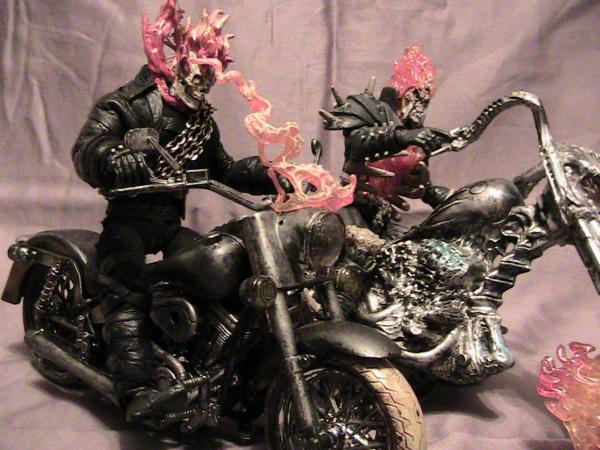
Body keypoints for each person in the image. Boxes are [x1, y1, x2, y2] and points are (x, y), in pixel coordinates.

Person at [72, 3, 279, 418]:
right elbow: (86, 147)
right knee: (127, 288)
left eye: (210, 78)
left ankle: (204, 363)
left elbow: (224, 169)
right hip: (128, 221)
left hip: (169, 224)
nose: (203, 85)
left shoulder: (201, 122)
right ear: (180, 62)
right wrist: (112, 155)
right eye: (198, 74)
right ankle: (136, 388)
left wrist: (272, 174)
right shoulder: (128, 104)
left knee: (217, 272)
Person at [320, 46, 451, 237]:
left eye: (426, 97)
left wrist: (429, 190)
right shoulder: (371, 111)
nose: (421, 105)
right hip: (349, 208)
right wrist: (399, 136)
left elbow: (415, 182)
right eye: (418, 94)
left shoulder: (415, 134)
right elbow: (358, 141)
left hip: (382, 215)